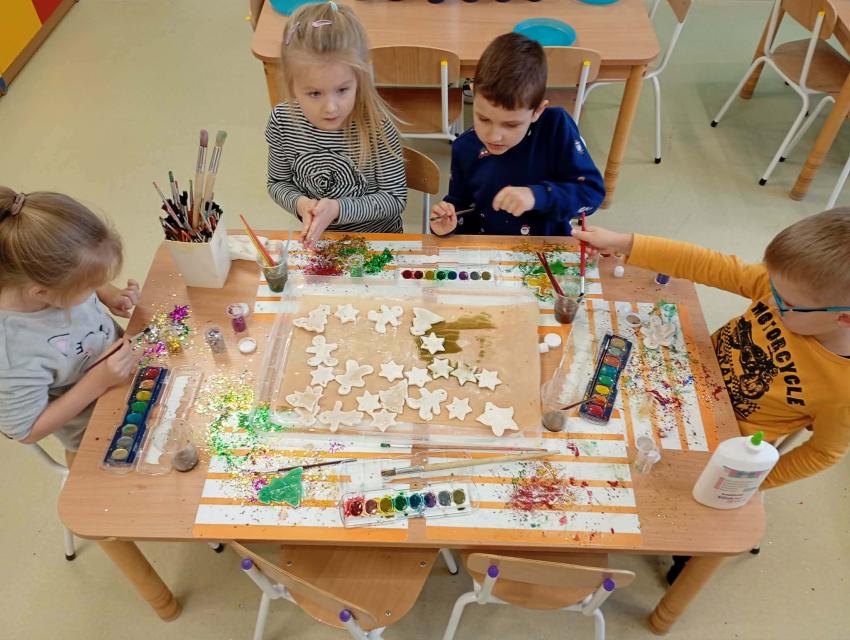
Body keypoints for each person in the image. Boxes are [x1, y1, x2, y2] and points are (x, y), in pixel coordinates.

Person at [572, 211, 850, 579]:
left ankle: (687, 559)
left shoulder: (843, 388)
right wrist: (623, 242)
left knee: (659, 499)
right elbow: (706, 263)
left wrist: (749, 482)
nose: (770, 300)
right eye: (772, 286)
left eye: (784, 302)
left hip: (722, 444)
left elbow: (823, 453)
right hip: (684, 378)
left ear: (844, 317)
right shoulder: (788, 292)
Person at [0, 188, 140, 467]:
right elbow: (27, 431)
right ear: (42, 292)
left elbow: (79, 271)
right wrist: (99, 380)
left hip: (130, 371)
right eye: (89, 286)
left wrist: (109, 293)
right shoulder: (11, 354)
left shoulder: (49, 279)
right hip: (98, 429)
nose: (93, 289)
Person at [430, 32, 605, 237]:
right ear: (473, 93)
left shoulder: (555, 128)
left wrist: (537, 196)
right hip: (488, 247)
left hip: (547, 244)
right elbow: (462, 207)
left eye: (511, 124)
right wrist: (448, 223)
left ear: (537, 111)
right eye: (483, 119)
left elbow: (591, 194)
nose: (494, 136)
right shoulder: (465, 147)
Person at [266, 1, 406, 247]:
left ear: (360, 79)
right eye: (314, 93)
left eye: (342, 90)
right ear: (291, 85)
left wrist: (338, 209)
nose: (330, 107)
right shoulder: (282, 122)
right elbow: (277, 183)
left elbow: (395, 198)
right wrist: (300, 203)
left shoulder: (377, 126)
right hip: (320, 243)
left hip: (377, 242)